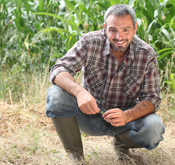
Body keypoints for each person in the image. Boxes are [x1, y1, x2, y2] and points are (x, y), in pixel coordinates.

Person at [46, 4, 165, 164]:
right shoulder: (89, 42)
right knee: (55, 94)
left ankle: (121, 144)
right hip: (89, 114)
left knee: (154, 129)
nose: (119, 36)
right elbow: (59, 69)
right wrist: (80, 92)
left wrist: (127, 116)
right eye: (113, 30)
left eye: (126, 30)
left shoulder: (146, 54)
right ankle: (76, 158)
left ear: (135, 28)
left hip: (125, 119)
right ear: (105, 28)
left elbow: (152, 98)